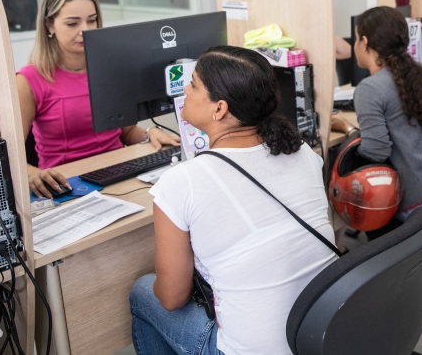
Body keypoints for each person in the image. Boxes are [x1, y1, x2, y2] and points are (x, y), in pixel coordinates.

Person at [130, 46, 336, 355]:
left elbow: (172, 298)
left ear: (220, 109)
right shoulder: (303, 153)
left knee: (143, 291)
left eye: (194, 84)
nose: (185, 88)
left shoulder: (182, 182)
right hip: (321, 333)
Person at [17, 0, 179, 199]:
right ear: (49, 24)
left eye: (91, 20)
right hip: (66, 185)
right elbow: (8, 155)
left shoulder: (111, 69)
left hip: (119, 175)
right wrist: (31, 174)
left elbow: (126, 131)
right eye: (72, 23)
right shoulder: (28, 80)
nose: (85, 30)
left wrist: (151, 133)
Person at [330, 7, 422, 225]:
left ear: (365, 42)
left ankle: (342, 246)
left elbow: (376, 151)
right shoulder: (415, 73)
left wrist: (349, 130)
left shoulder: (370, 88)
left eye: (357, 39)